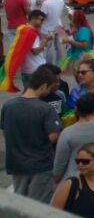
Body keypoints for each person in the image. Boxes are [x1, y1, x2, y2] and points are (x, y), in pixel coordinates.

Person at [0, 65, 61, 201]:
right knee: (39, 205)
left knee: (21, 202)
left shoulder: (8, 106)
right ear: (43, 86)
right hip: (40, 165)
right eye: (50, 88)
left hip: (16, 165)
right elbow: (53, 136)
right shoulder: (46, 109)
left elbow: (4, 131)